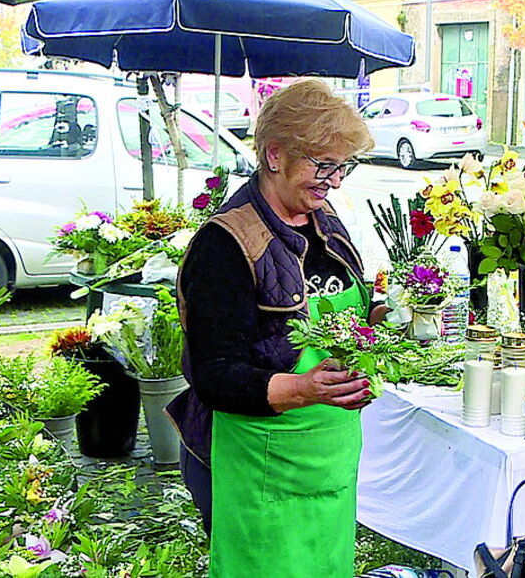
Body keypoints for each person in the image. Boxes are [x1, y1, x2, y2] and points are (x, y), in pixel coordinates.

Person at [166, 80, 387, 577]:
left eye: (342, 166)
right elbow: (215, 375)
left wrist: (389, 321)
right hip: (262, 462)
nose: (334, 181)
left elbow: (346, 321)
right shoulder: (225, 244)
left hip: (328, 457)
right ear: (274, 154)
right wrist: (305, 388)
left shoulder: (324, 220)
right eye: (322, 165)